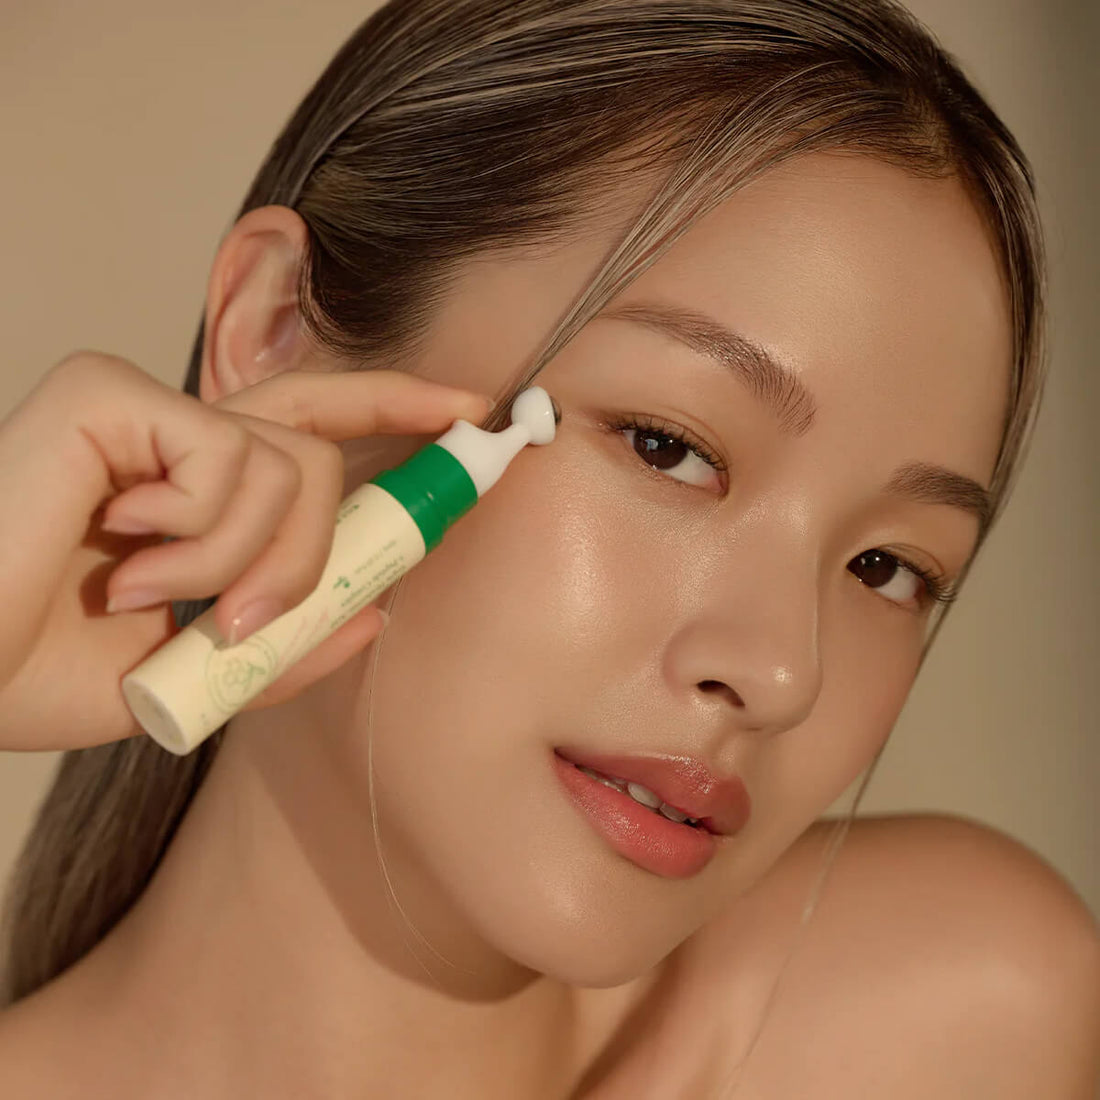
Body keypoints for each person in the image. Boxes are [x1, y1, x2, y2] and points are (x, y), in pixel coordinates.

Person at [0, 0, 1097, 1095]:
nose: (780, 672)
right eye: (667, 447)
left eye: (886, 568)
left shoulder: (951, 1018)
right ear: (277, 328)